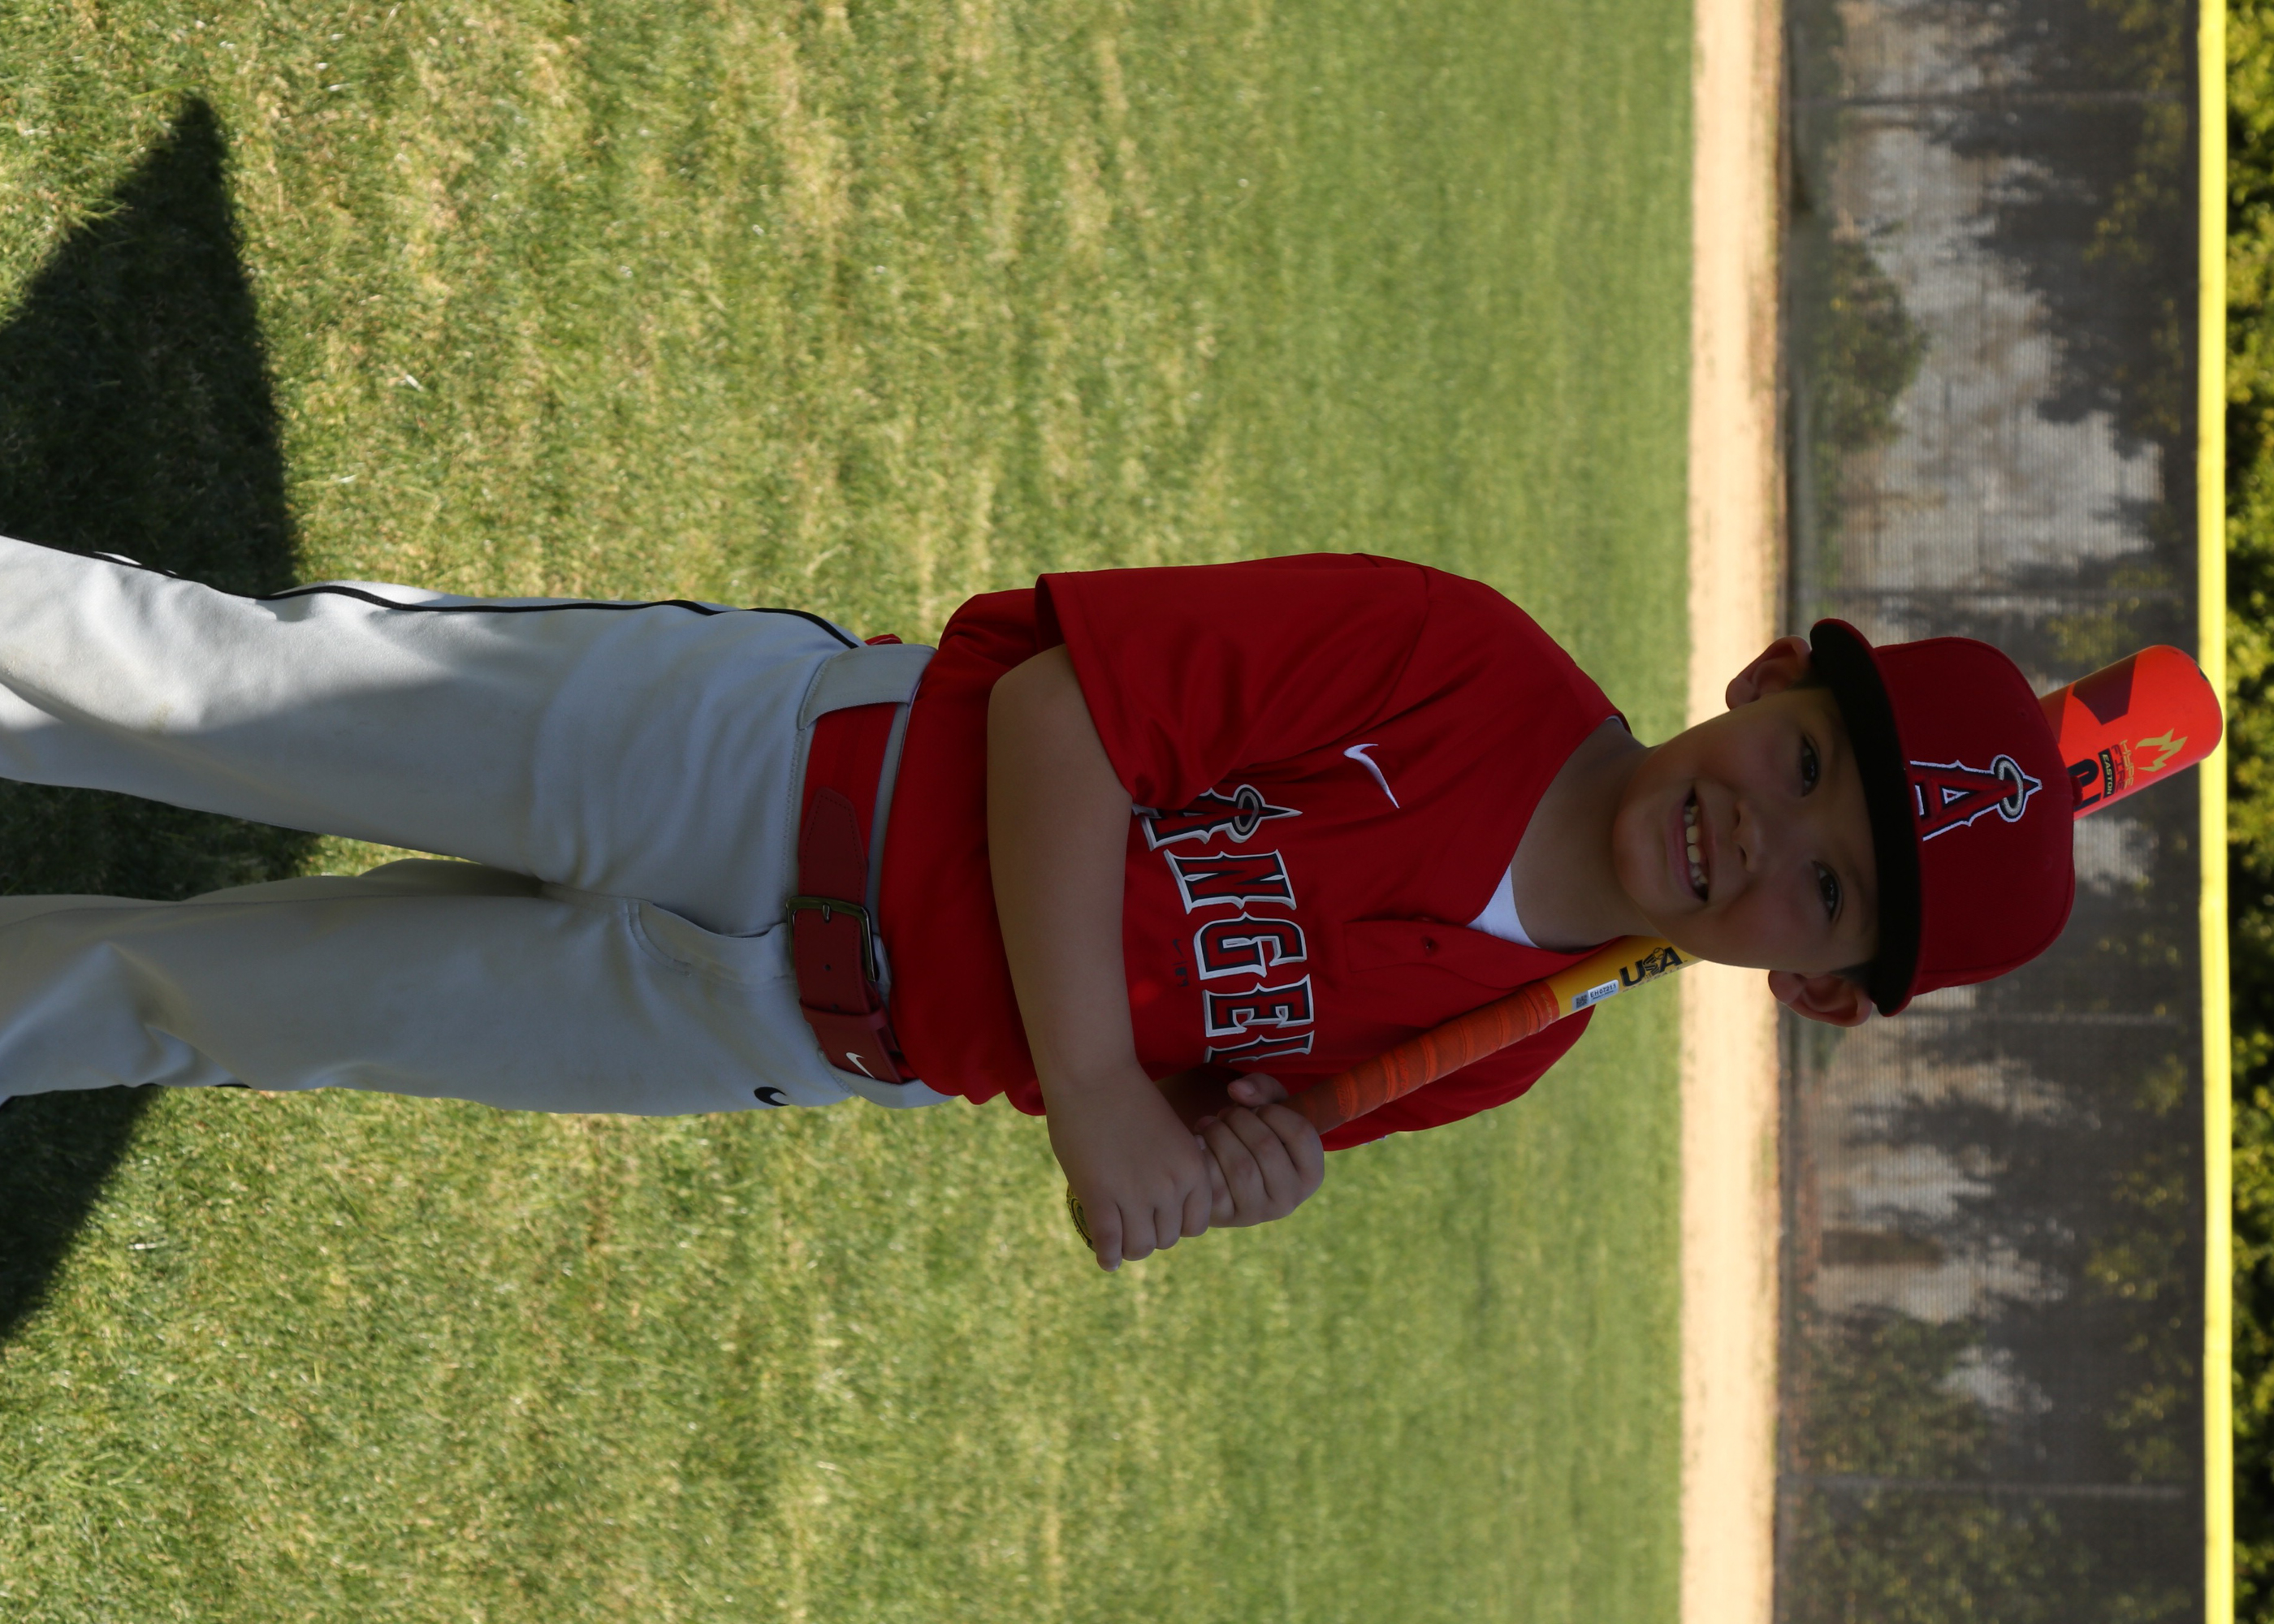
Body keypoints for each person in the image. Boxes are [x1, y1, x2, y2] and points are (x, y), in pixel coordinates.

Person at [0, 540, 2074, 1270]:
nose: (1762, 837)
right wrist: (1100, 1091)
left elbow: (1191, 1104)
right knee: (217, 695)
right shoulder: (1461, 665)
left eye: (1825, 892)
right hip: (753, 766)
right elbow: (1062, 725)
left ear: (1815, 993)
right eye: (1807, 763)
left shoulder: (1505, 1048)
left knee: (220, 1009)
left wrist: (1235, 1166)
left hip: (778, 1031)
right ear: (1765, 683)